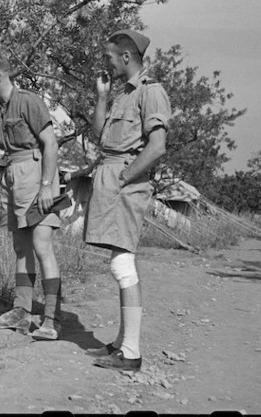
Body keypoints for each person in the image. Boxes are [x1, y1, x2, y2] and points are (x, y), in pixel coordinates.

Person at [83, 29, 170, 371]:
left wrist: (124, 178)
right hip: (113, 179)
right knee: (120, 263)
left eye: (108, 56)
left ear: (126, 57)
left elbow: (157, 146)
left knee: (122, 265)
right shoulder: (123, 94)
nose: (104, 62)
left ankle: (131, 353)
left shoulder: (151, 92)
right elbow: (99, 134)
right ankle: (122, 343)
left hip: (125, 184)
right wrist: (102, 96)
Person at [0, 55, 63, 340]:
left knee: (41, 244)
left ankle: (51, 318)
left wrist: (47, 186)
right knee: (21, 248)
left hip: (36, 173)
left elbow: (50, 143)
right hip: (11, 174)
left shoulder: (28, 101)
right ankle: (21, 312)